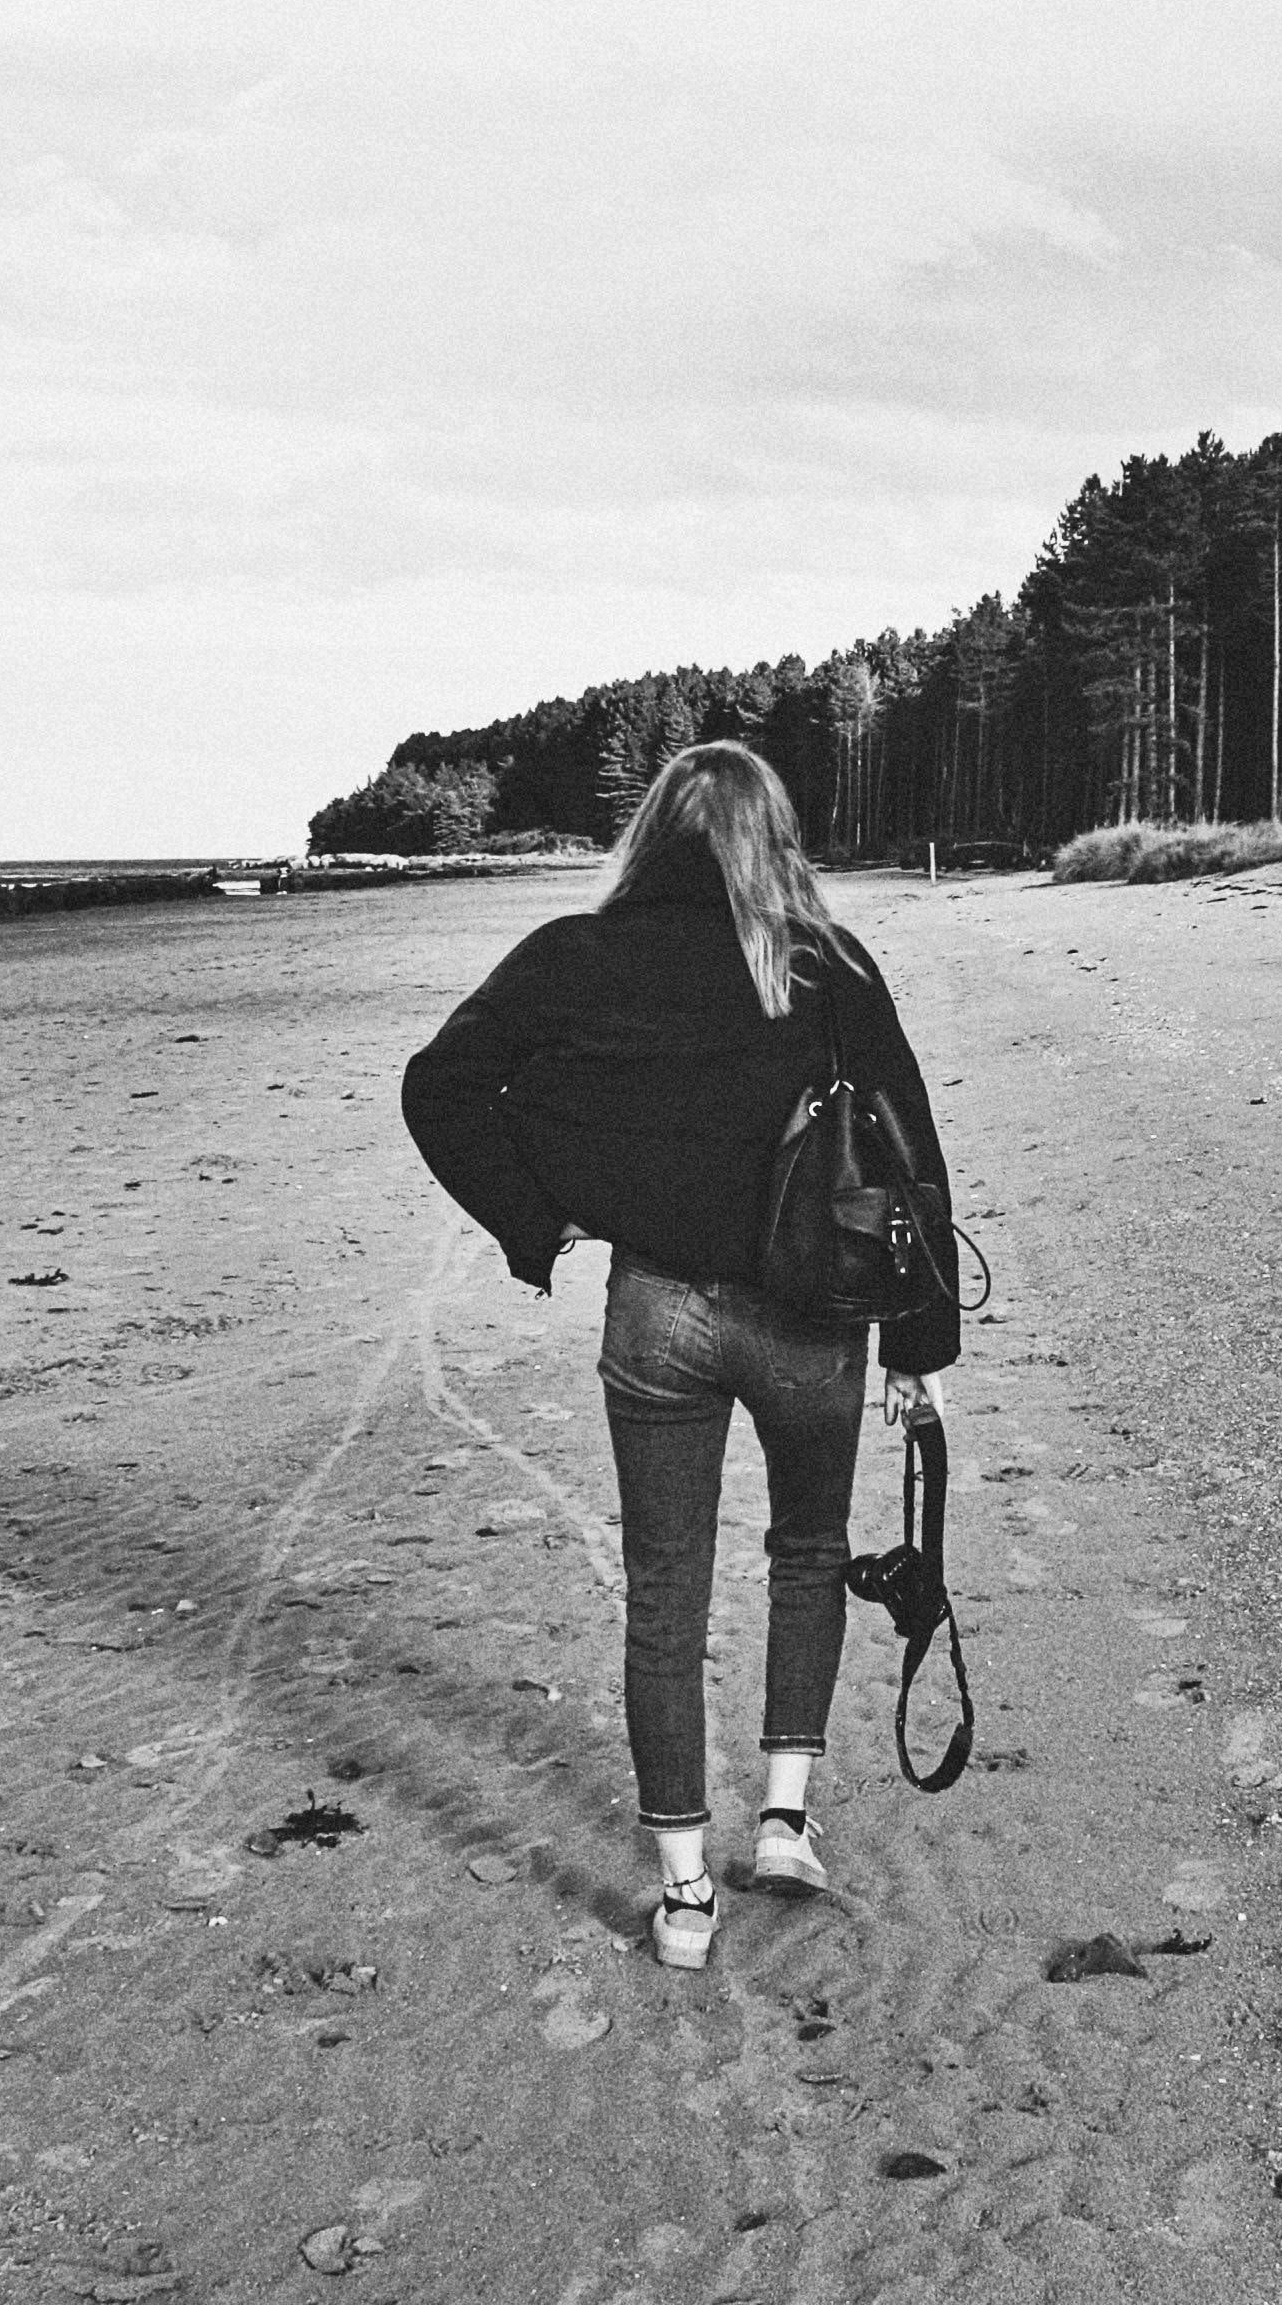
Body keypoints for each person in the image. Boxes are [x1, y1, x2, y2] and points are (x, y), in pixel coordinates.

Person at [401, 742, 960, 1971]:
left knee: (665, 1588)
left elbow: (442, 1086)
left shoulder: (576, 956)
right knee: (807, 1552)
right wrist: (921, 1341)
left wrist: (542, 1218)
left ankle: (685, 1896)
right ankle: (785, 1821)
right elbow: (909, 1148)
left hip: (659, 1312)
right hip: (816, 1316)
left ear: (652, 833)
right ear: (775, 836)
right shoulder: (826, 962)